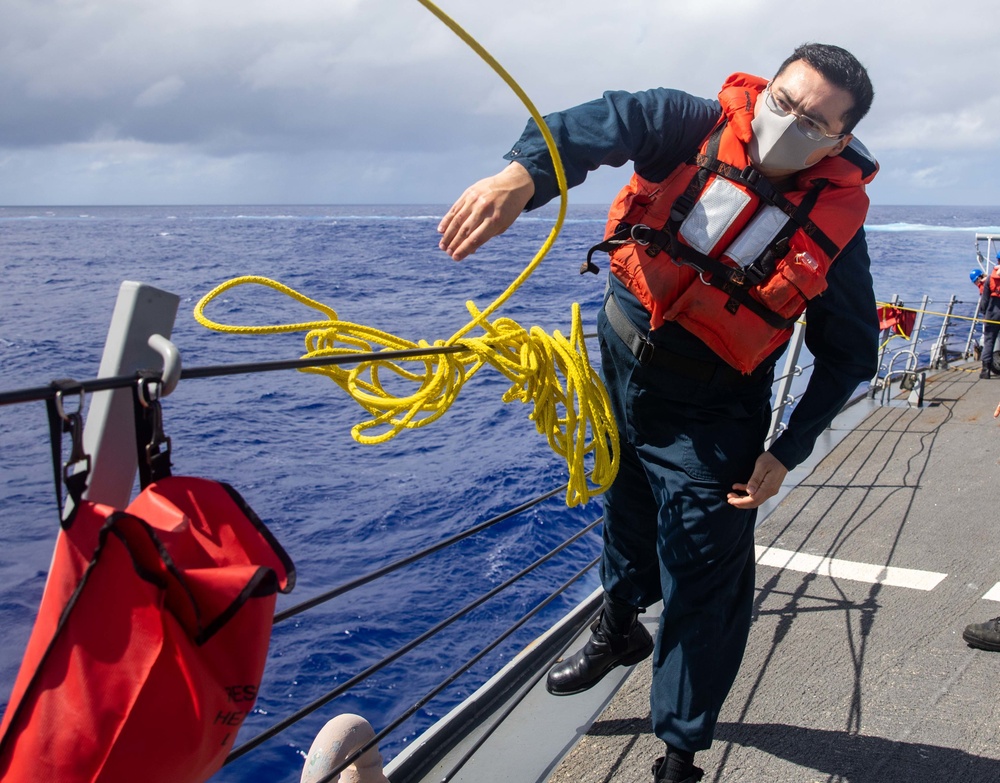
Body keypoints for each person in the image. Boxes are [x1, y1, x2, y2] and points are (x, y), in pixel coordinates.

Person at [438, 43, 878, 783]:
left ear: (839, 141)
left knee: (707, 568)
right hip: (622, 359)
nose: (787, 123)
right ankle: (617, 627)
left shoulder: (834, 224)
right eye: (783, 100)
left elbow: (851, 352)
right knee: (627, 503)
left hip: (715, 408)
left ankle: (679, 751)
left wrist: (788, 448)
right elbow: (608, 120)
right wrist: (523, 174)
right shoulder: (690, 125)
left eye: (812, 121)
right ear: (764, 88)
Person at [977, 254, 1000, 379]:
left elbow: (984, 301)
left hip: (992, 315)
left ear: (997, 260)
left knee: (989, 342)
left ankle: (986, 370)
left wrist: (984, 312)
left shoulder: (990, 279)